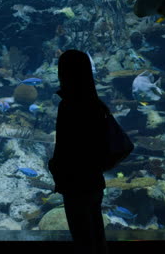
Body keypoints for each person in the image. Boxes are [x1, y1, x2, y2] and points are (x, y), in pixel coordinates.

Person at [48, 49, 110, 254]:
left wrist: (54, 167)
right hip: (94, 180)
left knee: (83, 239)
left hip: (75, 184)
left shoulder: (69, 105)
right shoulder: (96, 104)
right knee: (97, 235)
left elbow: (65, 147)